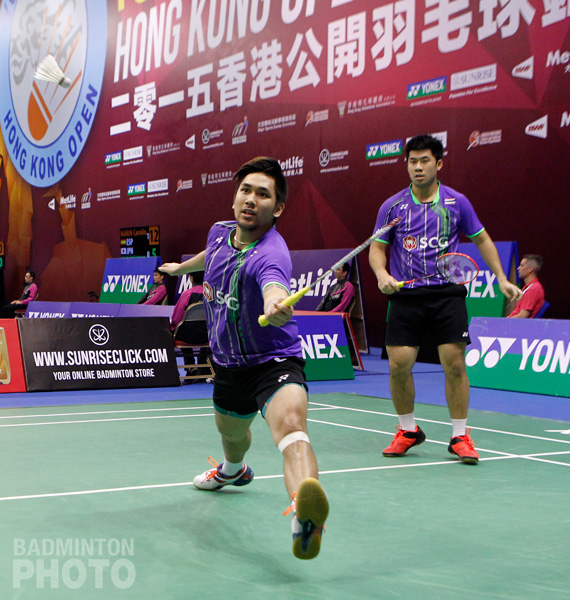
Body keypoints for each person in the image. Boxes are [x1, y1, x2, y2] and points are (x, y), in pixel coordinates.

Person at [160, 157, 329, 559]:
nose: (251, 199)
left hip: (273, 361)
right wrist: (181, 268)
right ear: (235, 197)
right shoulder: (220, 232)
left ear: (278, 208)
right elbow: (211, 254)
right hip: (228, 366)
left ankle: (305, 517)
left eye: (263, 194)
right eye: (246, 190)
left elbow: (274, 285)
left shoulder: (271, 254)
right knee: (232, 436)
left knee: (292, 428)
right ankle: (233, 470)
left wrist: (275, 303)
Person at [369, 134, 522, 465]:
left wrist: (501, 277)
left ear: (438, 164)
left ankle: (459, 436)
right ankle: (408, 430)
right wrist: (382, 274)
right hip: (406, 294)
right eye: (412, 161)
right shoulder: (392, 207)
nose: (418, 167)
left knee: (454, 364)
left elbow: (482, 239)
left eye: (424, 161)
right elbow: (377, 248)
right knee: (398, 365)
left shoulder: (456, 202)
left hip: (446, 293)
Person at [170, 272, 210, 381]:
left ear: (191, 278)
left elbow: (176, 319)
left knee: (180, 330)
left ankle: (190, 365)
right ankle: (204, 368)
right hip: (208, 336)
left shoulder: (187, 294)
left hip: (187, 337)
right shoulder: (211, 294)